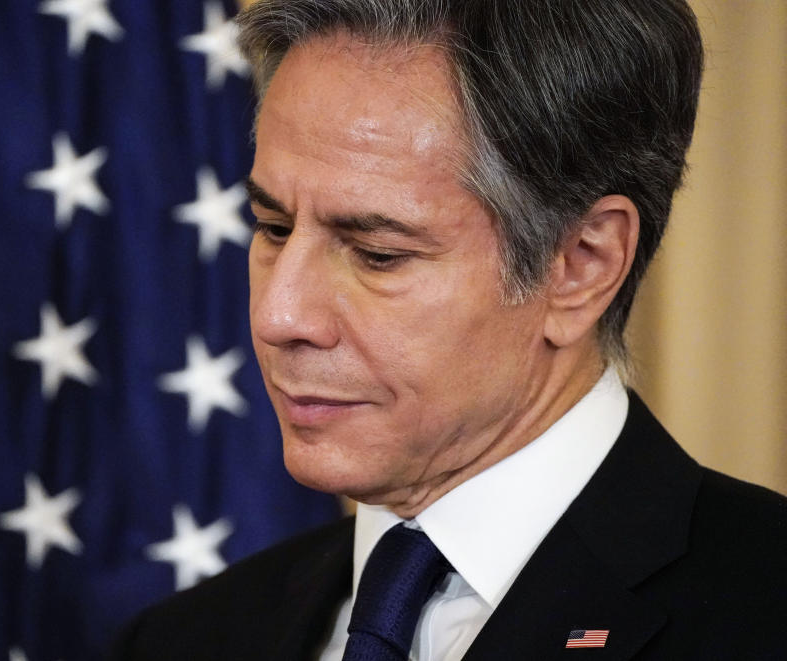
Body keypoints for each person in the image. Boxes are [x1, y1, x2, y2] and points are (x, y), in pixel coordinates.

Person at [111, 1, 787, 659]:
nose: (278, 315)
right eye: (274, 229)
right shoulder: (182, 638)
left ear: (583, 265)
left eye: (378, 254)